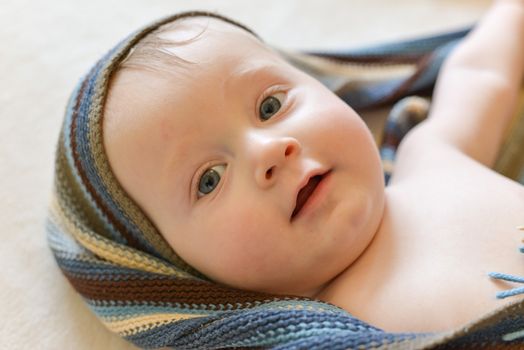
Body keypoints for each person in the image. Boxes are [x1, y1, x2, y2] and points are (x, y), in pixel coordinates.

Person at [49, 0, 524, 343]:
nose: (269, 152)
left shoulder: (431, 154)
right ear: (178, 269)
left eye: (270, 105)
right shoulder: (326, 333)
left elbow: (480, 74)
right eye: (208, 179)